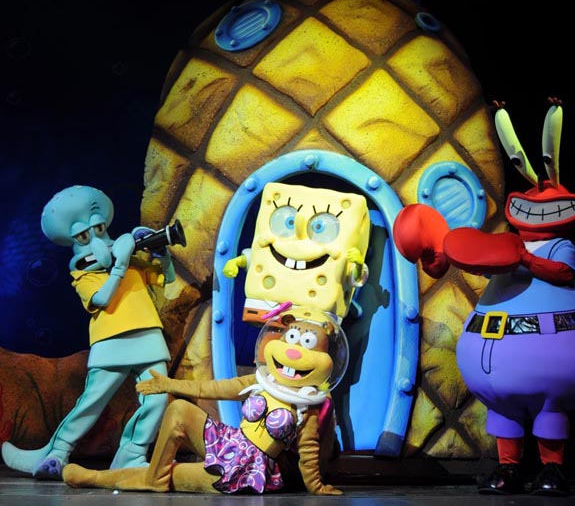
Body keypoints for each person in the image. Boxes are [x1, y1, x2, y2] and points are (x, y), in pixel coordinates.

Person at [394, 100, 575, 496]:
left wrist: (523, 258)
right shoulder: (507, 246)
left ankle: (551, 468)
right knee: (503, 414)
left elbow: (563, 274)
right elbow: (482, 261)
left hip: (554, 352)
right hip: (494, 354)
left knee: (550, 413)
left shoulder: (559, 247)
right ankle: (509, 468)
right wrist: (450, 251)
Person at [62, 305, 348, 495]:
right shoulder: (260, 382)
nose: (295, 352)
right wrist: (168, 384)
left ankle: (96, 478)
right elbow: (210, 388)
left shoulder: (308, 406)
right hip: (228, 443)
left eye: (308, 344)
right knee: (179, 409)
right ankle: (151, 479)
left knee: (175, 475)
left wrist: (317, 487)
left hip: (247, 471)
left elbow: (309, 454)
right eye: (292, 338)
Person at [1, 185, 178, 479]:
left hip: (148, 336)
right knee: (92, 403)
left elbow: (166, 278)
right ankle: (55, 454)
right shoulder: (82, 274)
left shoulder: (131, 260)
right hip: (111, 341)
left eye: (98, 229)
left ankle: (132, 454)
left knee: (157, 398)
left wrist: (162, 254)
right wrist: (119, 266)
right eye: (84, 235)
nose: (96, 239)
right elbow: (102, 299)